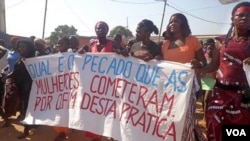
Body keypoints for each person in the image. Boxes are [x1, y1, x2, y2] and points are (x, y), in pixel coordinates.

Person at [197, 2, 250, 141]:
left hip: (244, 98)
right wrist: (197, 69)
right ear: (232, 19)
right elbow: (214, 65)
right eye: (241, 15)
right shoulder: (221, 41)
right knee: (215, 127)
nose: (245, 18)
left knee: (238, 133)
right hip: (219, 94)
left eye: (249, 16)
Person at [161, 13, 207, 141]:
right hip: (170, 89)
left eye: (176, 22)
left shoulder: (192, 40)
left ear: (183, 24)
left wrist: (198, 63)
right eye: (171, 22)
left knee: (187, 118)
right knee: (173, 119)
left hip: (188, 88)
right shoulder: (165, 44)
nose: (173, 24)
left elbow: (203, 61)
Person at [5, 39, 36, 139]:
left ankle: (26, 130)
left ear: (29, 48)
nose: (20, 48)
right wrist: (6, 76)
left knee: (26, 109)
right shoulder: (21, 58)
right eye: (19, 46)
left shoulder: (34, 60)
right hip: (21, 87)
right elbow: (15, 71)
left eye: (23, 46)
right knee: (24, 109)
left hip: (29, 88)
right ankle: (32, 125)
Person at [198, 38, 216, 127]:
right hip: (204, 80)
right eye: (208, 48)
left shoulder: (217, 58)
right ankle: (205, 115)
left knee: (207, 99)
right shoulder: (204, 57)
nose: (209, 50)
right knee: (203, 100)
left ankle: (206, 118)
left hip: (212, 81)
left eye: (211, 48)